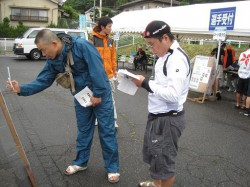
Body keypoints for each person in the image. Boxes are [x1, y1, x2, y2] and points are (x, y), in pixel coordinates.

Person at [6, 29, 120, 183]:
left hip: (101, 94)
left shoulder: (81, 46)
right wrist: (21, 89)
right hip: (81, 97)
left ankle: (112, 168)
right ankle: (81, 162)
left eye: (43, 50)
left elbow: (97, 69)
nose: (44, 54)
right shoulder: (53, 59)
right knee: (84, 130)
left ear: (54, 43)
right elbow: (43, 80)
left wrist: (98, 94)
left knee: (107, 131)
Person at [132, 21, 190, 187]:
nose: (151, 49)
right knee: (155, 157)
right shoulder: (164, 56)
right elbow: (161, 85)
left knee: (165, 164)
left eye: (152, 44)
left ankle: (160, 183)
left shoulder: (176, 59)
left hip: (167, 119)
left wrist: (145, 83)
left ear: (165, 38)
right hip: (158, 117)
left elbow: (173, 94)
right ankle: (156, 184)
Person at [89, 16, 119, 128]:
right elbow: (89, 59)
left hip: (109, 75)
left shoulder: (111, 41)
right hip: (96, 76)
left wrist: (114, 70)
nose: (111, 29)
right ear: (102, 27)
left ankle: (113, 120)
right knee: (97, 97)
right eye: (109, 26)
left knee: (111, 99)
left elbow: (113, 58)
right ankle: (97, 118)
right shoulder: (92, 40)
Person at [236, 44, 250, 116]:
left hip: (240, 74)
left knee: (238, 90)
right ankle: (243, 105)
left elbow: (239, 63)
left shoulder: (242, 53)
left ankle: (237, 104)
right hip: (248, 75)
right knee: (245, 91)